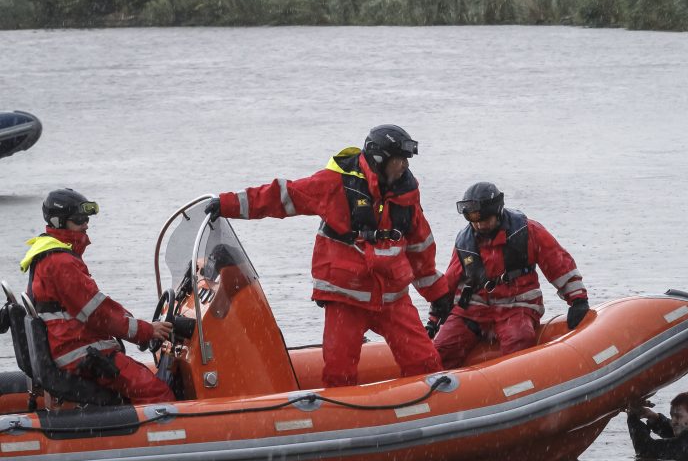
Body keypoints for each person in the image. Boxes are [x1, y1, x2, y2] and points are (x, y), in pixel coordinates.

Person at [205, 124, 450, 386]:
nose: (404, 166)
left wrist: (438, 295)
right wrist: (227, 203)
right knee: (339, 374)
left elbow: (421, 251)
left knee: (426, 364)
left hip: (392, 298)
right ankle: (343, 422)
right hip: (346, 298)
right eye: (399, 159)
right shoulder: (335, 184)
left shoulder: (407, 196)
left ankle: (426, 415)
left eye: (405, 160)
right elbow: (283, 196)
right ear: (379, 158)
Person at [19, 189, 176, 405]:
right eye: (78, 220)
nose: (85, 224)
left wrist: (139, 327)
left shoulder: (49, 254)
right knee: (156, 392)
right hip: (77, 352)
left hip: (69, 345)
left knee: (136, 378)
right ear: (59, 222)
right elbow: (98, 314)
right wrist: (146, 331)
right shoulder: (61, 263)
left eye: (86, 219)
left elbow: (95, 307)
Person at [429, 182, 589, 368]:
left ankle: (514, 387)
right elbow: (451, 281)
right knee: (443, 348)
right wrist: (434, 320)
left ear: (497, 212)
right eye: (474, 220)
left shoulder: (527, 231)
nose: (479, 224)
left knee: (518, 340)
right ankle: (443, 391)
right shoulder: (465, 242)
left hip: (517, 306)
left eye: (484, 219)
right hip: (474, 311)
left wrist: (578, 300)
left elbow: (558, 263)